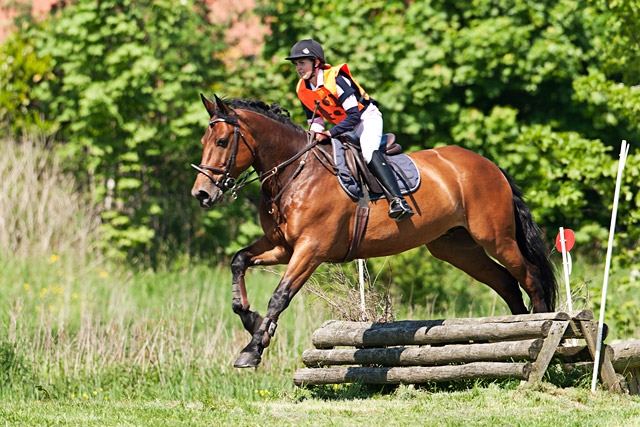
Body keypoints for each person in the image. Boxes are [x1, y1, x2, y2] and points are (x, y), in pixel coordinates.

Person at [285, 39, 414, 221]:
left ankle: (398, 201)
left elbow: (354, 116)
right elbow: (316, 121)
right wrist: (313, 136)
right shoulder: (302, 88)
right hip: (346, 127)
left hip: (366, 119)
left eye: (302, 62)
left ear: (316, 62)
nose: (298, 68)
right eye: (296, 64)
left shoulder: (336, 79)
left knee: (368, 152)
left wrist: (329, 134)